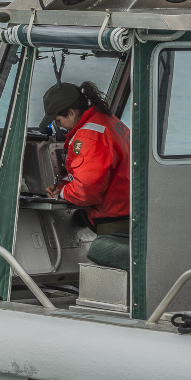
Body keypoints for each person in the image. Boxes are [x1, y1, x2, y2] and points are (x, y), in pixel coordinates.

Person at [41, 81, 131, 269]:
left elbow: (86, 191)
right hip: (128, 213)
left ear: (72, 113)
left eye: (59, 121)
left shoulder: (89, 136)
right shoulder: (108, 120)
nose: (59, 126)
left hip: (114, 220)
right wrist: (62, 185)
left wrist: (61, 194)